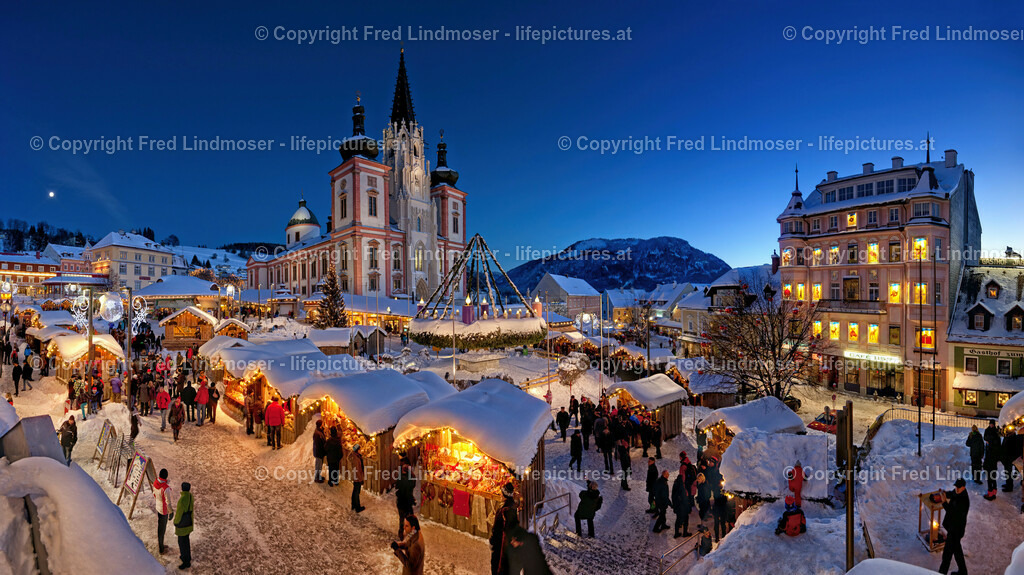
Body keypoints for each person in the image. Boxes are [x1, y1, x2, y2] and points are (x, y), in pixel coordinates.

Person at [938, 478, 970, 575]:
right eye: (956, 486)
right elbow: (952, 494)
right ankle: (963, 572)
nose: (956, 488)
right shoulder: (957, 492)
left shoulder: (964, 501)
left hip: (956, 530)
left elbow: (952, 512)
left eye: (958, 487)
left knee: (947, 554)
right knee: (957, 551)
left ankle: (941, 572)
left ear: (963, 487)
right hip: (953, 528)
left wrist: (944, 502)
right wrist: (944, 493)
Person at [490, 483, 518, 575]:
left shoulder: (505, 511)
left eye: (502, 493)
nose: (500, 495)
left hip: (501, 546)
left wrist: (493, 541)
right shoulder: (512, 507)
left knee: (498, 567)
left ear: (505, 495)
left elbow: (498, 529)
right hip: (507, 547)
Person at [173, 482, 194, 570]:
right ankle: (188, 558)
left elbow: (179, 513)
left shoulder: (182, 500)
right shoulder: (190, 496)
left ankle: (185, 562)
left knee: (182, 543)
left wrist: (175, 522)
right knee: (187, 542)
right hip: (189, 523)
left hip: (182, 525)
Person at [395, 457, 416, 539]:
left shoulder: (406, 476)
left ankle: (404, 533)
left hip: (404, 501)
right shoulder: (406, 476)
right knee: (405, 518)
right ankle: (404, 533)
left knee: (405, 518)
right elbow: (410, 486)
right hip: (404, 501)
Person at [153, 469, 173, 555]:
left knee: (160, 527)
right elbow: (168, 502)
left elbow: (154, 494)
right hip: (164, 510)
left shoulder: (155, 483)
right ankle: (161, 548)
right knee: (162, 529)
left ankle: (161, 544)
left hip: (158, 507)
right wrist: (171, 512)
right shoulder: (166, 488)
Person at [984, 420, 1002, 500]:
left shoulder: (990, 449)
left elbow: (995, 442)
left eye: (992, 424)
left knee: (990, 478)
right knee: (993, 477)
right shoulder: (988, 430)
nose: (991, 425)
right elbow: (985, 437)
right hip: (993, 460)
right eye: (990, 424)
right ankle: (994, 492)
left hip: (991, 461)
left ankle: (990, 493)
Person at [672, 471, 693, 538]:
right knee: (686, 520)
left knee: (678, 520)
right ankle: (685, 533)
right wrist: (688, 507)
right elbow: (684, 499)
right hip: (683, 508)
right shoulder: (681, 487)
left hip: (678, 507)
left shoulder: (675, 485)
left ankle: (676, 533)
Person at [348, 443, 366, 512]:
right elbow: (357, 470)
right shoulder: (356, 459)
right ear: (357, 450)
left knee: (355, 491)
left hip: (356, 476)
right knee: (357, 492)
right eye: (359, 449)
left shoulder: (355, 455)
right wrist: (360, 479)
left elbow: (348, 458)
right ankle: (357, 507)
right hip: (357, 477)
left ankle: (353, 505)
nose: (360, 450)